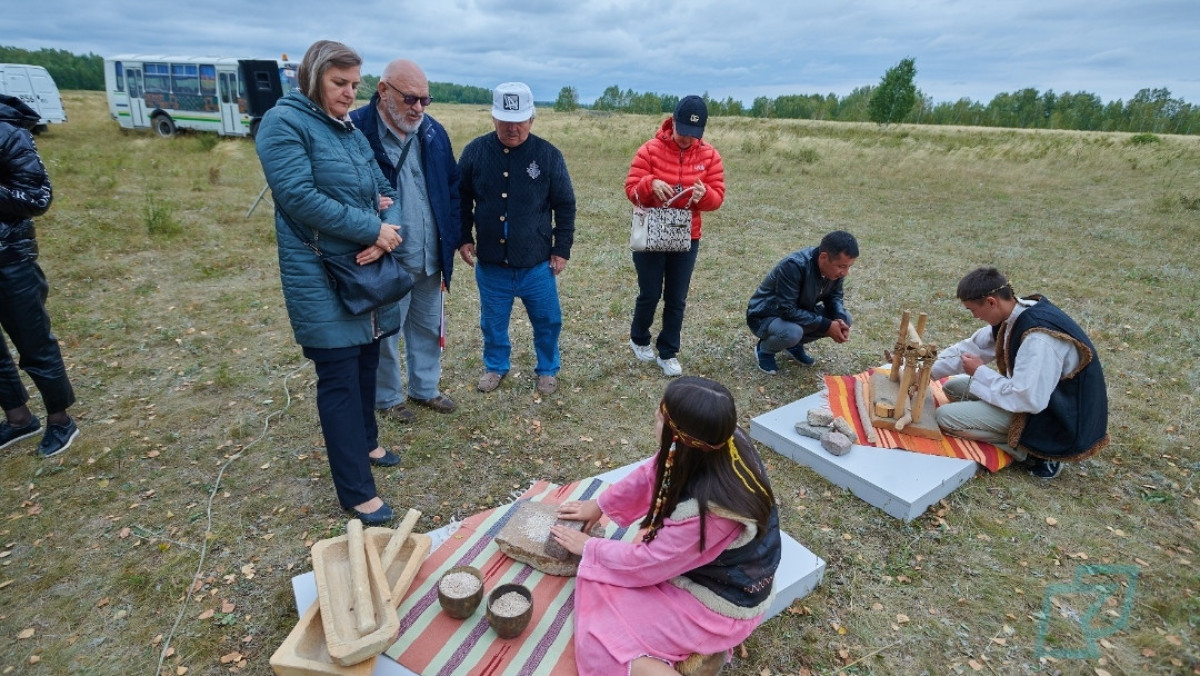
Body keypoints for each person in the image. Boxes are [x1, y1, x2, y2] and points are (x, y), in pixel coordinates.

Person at [255, 40, 403, 525]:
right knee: (338, 376)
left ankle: (367, 443)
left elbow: (382, 187)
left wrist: (384, 238)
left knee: (364, 360)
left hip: (361, 269)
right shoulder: (284, 124)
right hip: (321, 276)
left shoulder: (346, 128)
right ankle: (356, 491)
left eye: (354, 84)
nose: (348, 93)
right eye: (339, 83)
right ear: (313, 77)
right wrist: (370, 228)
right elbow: (298, 197)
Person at [550, 376, 780, 676]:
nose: (654, 420)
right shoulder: (723, 440)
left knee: (601, 637)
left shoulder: (710, 513)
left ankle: (688, 654)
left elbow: (648, 563)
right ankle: (700, 652)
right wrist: (600, 505)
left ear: (679, 439)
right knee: (625, 556)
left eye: (661, 418)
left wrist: (590, 548)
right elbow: (657, 469)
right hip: (713, 571)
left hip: (719, 604)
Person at [349, 59, 461, 422]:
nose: (418, 108)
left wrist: (454, 238)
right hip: (385, 257)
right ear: (383, 91)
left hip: (430, 255)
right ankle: (388, 398)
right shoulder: (354, 130)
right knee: (384, 332)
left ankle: (425, 389)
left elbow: (452, 189)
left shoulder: (433, 132)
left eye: (425, 100)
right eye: (410, 99)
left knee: (428, 325)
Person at [931, 267, 1109, 479]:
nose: (974, 316)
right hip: (1034, 398)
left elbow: (1028, 399)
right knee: (952, 388)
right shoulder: (1012, 313)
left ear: (990, 301)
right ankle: (999, 424)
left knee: (945, 418)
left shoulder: (1038, 339)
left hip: (1057, 416)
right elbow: (969, 349)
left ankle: (1031, 449)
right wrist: (925, 371)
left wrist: (979, 372)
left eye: (972, 310)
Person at [458, 82, 576, 396]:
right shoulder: (475, 152)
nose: (513, 127)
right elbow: (460, 198)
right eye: (505, 120)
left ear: (532, 120)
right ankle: (496, 365)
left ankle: (548, 369)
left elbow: (565, 204)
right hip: (492, 264)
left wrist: (561, 249)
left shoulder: (549, 155)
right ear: (494, 119)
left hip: (536, 263)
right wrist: (462, 237)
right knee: (492, 323)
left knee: (548, 321)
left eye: (520, 120)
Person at [0, 94, 79, 458]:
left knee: (33, 342)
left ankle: (60, 420)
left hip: (10, 258)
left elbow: (37, 198)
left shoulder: (9, 134)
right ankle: (18, 419)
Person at [625, 95, 726, 377]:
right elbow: (631, 188)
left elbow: (717, 197)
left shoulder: (710, 155)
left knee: (677, 297)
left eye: (694, 134)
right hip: (650, 234)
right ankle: (639, 338)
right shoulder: (649, 150)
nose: (686, 139)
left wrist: (704, 196)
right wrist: (649, 184)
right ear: (673, 122)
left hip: (686, 236)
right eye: (682, 131)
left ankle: (668, 351)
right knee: (650, 292)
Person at [746, 230, 858, 374]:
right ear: (824, 257)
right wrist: (827, 325)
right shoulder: (794, 266)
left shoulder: (835, 270)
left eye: (849, 266)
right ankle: (765, 350)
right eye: (842, 266)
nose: (845, 272)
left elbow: (834, 296)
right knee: (792, 332)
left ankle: (794, 345)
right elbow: (787, 310)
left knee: (846, 318)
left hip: (799, 310)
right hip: (766, 314)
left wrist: (838, 319)